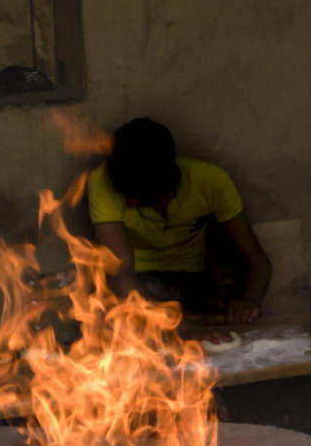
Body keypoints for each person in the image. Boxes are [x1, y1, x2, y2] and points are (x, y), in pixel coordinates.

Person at [87, 117, 271, 323]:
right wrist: (171, 324)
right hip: (137, 282)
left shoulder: (211, 180)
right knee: (117, 320)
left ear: (170, 184)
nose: (130, 203)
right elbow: (119, 274)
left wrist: (249, 301)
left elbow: (258, 262)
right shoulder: (102, 181)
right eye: (125, 193)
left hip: (191, 281)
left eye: (142, 196)